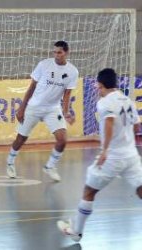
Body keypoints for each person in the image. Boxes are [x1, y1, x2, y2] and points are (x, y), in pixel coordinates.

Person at [57, 68, 142, 242]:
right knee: (140, 188)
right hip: (131, 155)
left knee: (89, 191)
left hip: (112, 157)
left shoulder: (104, 103)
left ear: (101, 85)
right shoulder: (128, 100)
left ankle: (76, 231)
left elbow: (109, 122)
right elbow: (136, 127)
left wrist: (105, 149)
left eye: (97, 84)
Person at [6, 40, 79, 181]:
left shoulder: (72, 71)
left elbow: (67, 95)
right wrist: (22, 107)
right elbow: (31, 87)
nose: (57, 55)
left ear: (66, 53)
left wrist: (66, 112)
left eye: (60, 52)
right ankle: (10, 162)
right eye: (55, 52)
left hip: (53, 109)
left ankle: (50, 166)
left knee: (62, 140)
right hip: (34, 107)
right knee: (21, 138)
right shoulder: (44, 65)